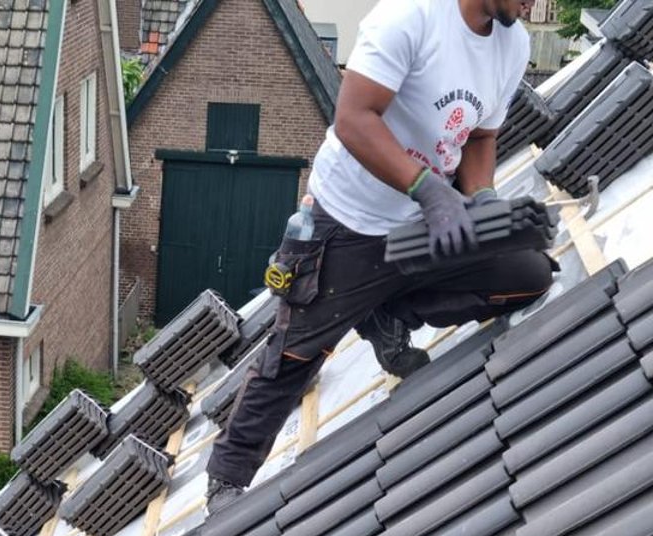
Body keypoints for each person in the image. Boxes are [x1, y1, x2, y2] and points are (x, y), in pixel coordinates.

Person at [206, 0, 554, 507]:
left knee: (528, 274)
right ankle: (227, 475)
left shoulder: (512, 43)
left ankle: (388, 312)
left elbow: (481, 136)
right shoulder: (409, 18)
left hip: (425, 225)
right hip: (350, 225)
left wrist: (481, 202)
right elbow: (353, 119)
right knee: (296, 353)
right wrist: (428, 189)